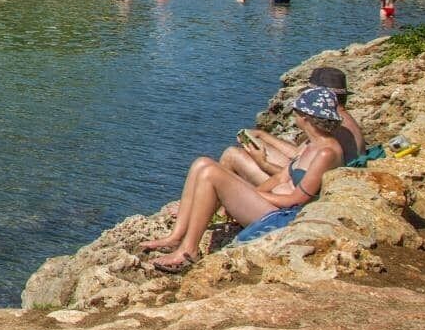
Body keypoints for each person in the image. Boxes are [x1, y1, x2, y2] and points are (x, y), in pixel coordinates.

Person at [142, 87, 347, 273]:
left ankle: (189, 251)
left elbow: (297, 199)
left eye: (297, 111)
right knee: (201, 164)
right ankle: (176, 236)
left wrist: (249, 195)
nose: (295, 115)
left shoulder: (326, 153)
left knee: (210, 173)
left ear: (306, 117)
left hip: (283, 218)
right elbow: (280, 177)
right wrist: (246, 194)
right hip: (274, 205)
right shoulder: (310, 144)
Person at [223, 68, 361, 183]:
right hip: (301, 177)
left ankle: (222, 205)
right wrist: (262, 135)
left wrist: (262, 163)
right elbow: (298, 154)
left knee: (231, 155)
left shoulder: (334, 127)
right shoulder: (339, 120)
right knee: (251, 146)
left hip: (298, 186)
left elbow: (295, 177)